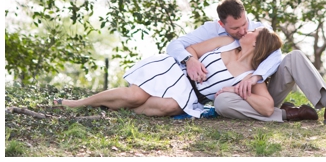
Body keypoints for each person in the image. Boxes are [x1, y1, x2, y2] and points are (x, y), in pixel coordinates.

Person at [166, 0, 326, 124]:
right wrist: (189, 59)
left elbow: (276, 56)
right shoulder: (211, 32)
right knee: (222, 102)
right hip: (238, 97)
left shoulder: (258, 31)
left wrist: (253, 78)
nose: (242, 31)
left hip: (263, 89)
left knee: (295, 57)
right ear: (221, 24)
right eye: (235, 29)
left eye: (244, 25)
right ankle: (288, 114)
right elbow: (175, 45)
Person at [57, 27, 283, 117]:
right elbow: (191, 49)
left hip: (191, 95)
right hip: (175, 71)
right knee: (135, 95)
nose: (247, 30)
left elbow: (266, 107)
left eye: (254, 31)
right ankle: (78, 103)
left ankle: (115, 110)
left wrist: (239, 91)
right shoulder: (226, 42)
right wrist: (193, 61)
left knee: (171, 106)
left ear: (257, 43)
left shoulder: (251, 76)